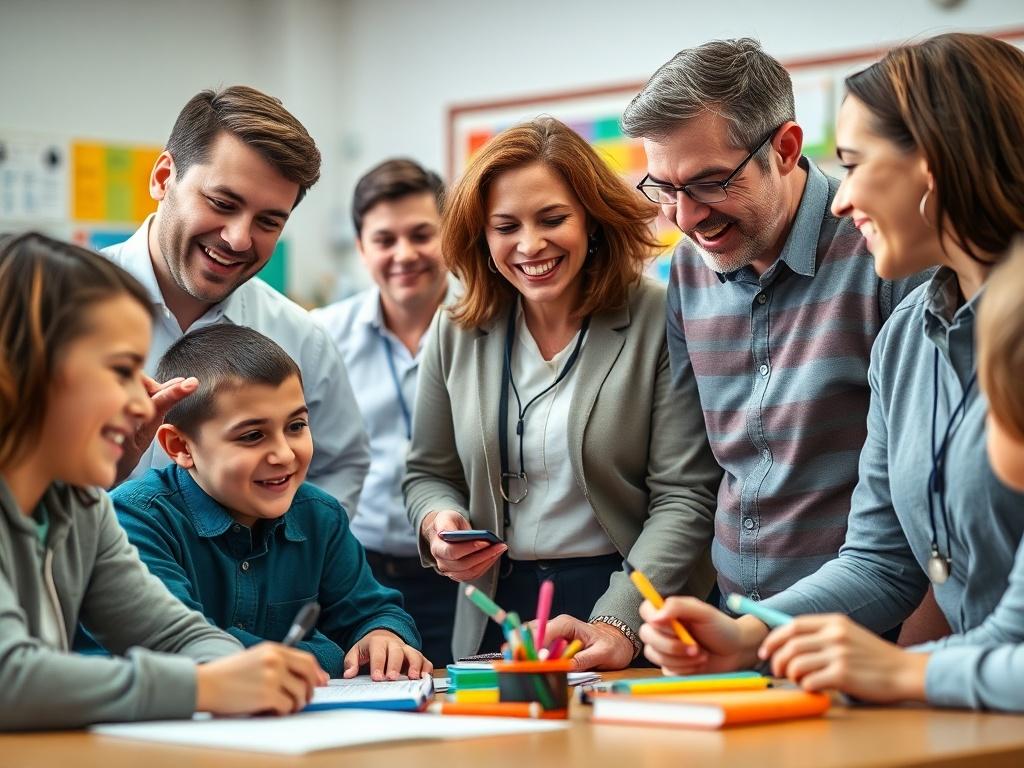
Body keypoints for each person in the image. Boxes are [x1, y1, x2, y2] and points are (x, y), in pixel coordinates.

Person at [637, 32, 1024, 712]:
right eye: (667, 189)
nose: (841, 199)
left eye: (853, 162)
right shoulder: (911, 338)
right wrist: (749, 633)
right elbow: (882, 559)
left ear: (936, 167)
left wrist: (905, 673)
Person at [620, 39, 927, 608]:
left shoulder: (887, 253)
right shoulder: (689, 266)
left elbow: (931, 497)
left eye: (712, 182)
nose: (686, 218)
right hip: (733, 628)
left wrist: (912, 639)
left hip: (871, 630)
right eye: (665, 188)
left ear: (785, 148)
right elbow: (694, 475)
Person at [404, 117, 720, 668]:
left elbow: (685, 495)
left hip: (630, 595)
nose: (530, 245)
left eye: (553, 219)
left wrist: (619, 617)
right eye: (506, 226)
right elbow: (427, 473)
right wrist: (439, 522)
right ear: (482, 234)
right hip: (497, 608)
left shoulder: (656, 316)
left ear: (592, 222)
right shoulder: (455, 329)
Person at [0, 233, 323, 731]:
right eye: (121, 371)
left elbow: (173, 633)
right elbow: (10, 680)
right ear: (25, 368)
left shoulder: (81, 505)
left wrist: (239, 672)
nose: (140, 405)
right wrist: (206, 686)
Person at [103, 85, 369, 515]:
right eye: (222, 203)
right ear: (163, 178)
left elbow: (341, 466)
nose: (238, 238)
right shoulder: (55, 311)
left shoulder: (298, 336)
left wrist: (286, 560)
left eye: (268, 221)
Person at [111, 325, 429, 681]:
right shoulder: (135, 519)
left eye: (296, 426)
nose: (283, 454)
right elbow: (181, 647)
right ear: (181, 448)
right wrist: (329, 652)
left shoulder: (319, 515)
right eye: (252, 436)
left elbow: (372, 609)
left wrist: (383, 635)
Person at [312, 159, 458, 665]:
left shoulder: (491, 324)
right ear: (360, 248)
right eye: (384, 240)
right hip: (358, 579)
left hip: (465, 574)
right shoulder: (322, 336)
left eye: (422, 234)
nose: (405, 255)